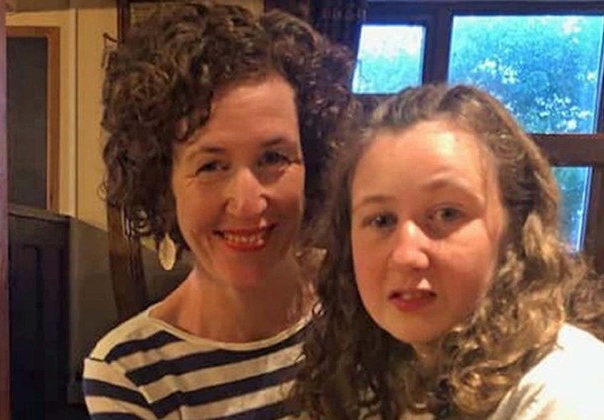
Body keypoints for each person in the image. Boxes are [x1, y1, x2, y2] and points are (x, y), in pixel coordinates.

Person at [82, 1, 356, 418]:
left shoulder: (363, 306)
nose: (248, 203)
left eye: (273, 158)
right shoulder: (129, 373)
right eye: (211, 166)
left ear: (313, 164)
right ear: (164, 183)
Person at [294, 84, 604, 419]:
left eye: (447, 214)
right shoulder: (383, 374)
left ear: (516, 227)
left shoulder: (563, 391)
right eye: (381, 220)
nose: (406, 256)